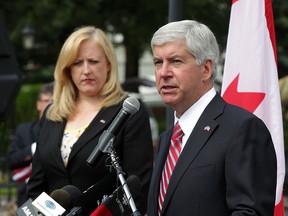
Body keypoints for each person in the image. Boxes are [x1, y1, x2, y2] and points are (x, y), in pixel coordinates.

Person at [147, 20, 277, 216]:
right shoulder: (168, 138)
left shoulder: (242, 128)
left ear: (206, 69)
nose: (164, 73)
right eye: (158, 62)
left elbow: (250, 212)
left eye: (176, 61)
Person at [26, 26, 154, 215]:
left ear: (108, 64)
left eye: (93, 61)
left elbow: (137, 186)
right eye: (78, 62)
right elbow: (36, 185)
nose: (86, 70)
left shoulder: (128, 112)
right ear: (67, 69)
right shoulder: (52, 113)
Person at [6, 82, 54, 207]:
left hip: (55, 196)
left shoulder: (67, 129)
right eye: (46, 100)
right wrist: (36, 148)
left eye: (53, 101)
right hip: (28, 196)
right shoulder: (24, 130)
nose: (50, 105)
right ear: (38, 104)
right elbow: (11, 160)